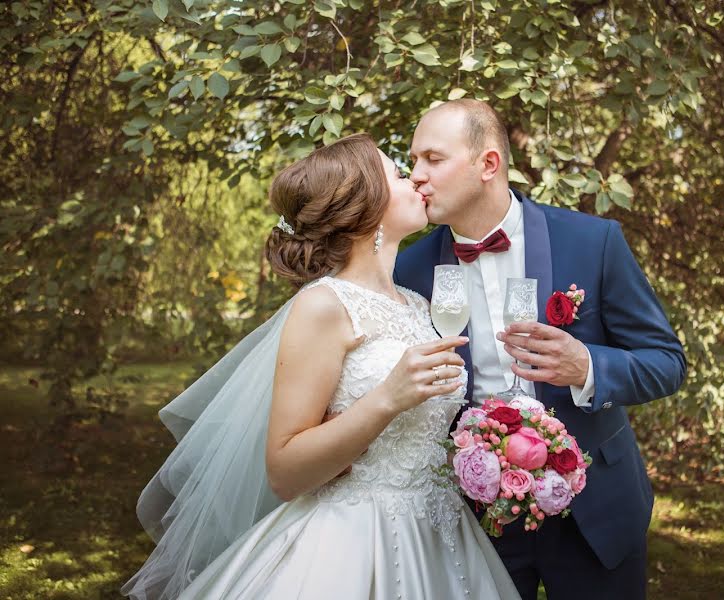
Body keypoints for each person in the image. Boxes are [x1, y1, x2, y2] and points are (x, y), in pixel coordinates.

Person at [122, 133, 520, 599]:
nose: (414, 179)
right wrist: (387, 398)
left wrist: (490, 457)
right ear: (363, 207)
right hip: (353, 542)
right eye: (396, 172)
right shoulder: (322, 306)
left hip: (443, 537)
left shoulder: (416, 304)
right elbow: (285, 472)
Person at [394, 100, 687, 600]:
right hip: (478, 516)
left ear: (488, 164)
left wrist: (587, 366)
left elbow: (667, 362)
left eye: (433, 159)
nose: (416, 175)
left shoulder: (594, 241)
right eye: (413, 160)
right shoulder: (410, 270)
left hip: (596, 510)